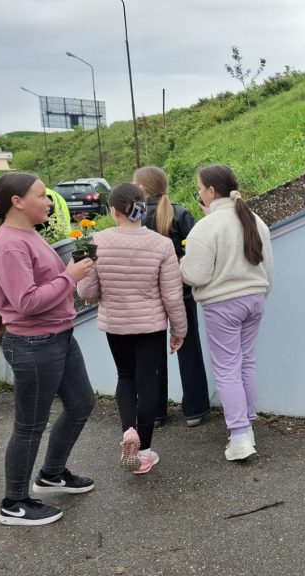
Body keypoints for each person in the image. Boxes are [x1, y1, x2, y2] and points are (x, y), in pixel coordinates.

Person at [0, 172, 96, 526]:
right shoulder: (8, 245)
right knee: (30, 425)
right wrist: (70, 277)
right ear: (17, 202)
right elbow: (27, 302)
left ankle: (52, 474)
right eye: (41, 195)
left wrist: (66, 275)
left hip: (59, 336)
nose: (49, 202)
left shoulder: (28, 234)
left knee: (81, 404)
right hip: (34, 344)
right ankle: (14, 502)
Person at [77, 183, 187, 475]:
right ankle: (145, 452)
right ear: (142, 208)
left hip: (116, 324)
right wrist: (179, 330)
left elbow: (87, 292)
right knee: (148, 382)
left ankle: (128, 430)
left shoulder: (96, 241)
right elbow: (172, 295)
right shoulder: (162, 244)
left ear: (113, 211)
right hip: (151, 325)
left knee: (125, 376)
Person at [180, 165, 273, 461]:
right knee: (246, 362)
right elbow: (268, 267)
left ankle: (240, 435)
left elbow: (195, 274)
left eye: (199, 188)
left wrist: (181, 265)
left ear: (211, 191)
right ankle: (247, 425)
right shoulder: (255, 220)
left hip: (222, 304)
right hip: (255, 298)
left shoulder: (206, 227)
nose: (199, 193)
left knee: (227, 368)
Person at [134, 165, 211, 428]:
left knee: (151, 353)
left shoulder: (135, 216)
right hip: (181, 291)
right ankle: (195, 410)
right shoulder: (180, 213)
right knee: (190, 350)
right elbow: (196, 252)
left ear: (141, 188)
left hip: (148, 294)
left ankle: (155, 413)